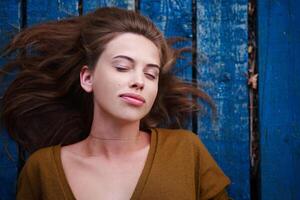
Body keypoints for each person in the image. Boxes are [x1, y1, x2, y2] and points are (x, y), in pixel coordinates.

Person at [1, 7, 230, 200]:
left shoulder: (186, 151)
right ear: (87, 78)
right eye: (122, 67)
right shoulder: (42, 169)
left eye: (151, 75)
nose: (139, 81)